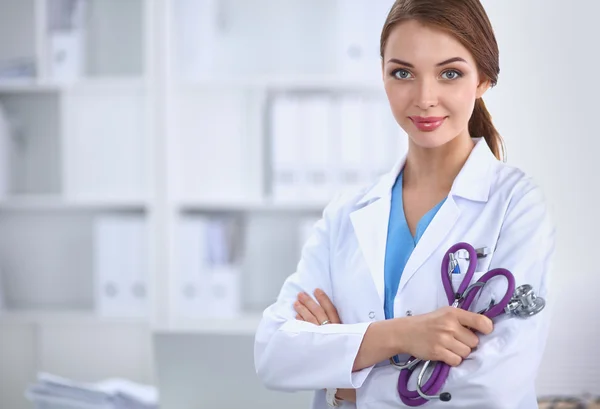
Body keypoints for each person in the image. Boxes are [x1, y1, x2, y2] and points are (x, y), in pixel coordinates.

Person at [254, 0, 555, 408]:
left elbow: (494, 384)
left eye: (450, 73)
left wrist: (346, 382)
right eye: (403, 73)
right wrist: (401, 336)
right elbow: (274, 353)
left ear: (482, 79)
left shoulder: (516, 206)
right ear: (383, 75)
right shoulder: (347, 214)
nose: (425, 98)